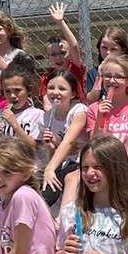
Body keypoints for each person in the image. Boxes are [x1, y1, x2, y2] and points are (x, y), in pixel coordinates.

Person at [40, 67, 89, 207]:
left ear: (73, 93)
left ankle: (64, 217)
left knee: (57, 182)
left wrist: (49, 169)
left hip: (82, 159)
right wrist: (52, 145)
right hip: (66, 161)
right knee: (47, 193)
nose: (55, 92)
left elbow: (68, 141)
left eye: (62, 89)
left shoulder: (79, 111)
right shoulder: (47, 117)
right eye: (51, 88)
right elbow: (57, 151)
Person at [89, 53, 128, 163]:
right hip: (101, 161)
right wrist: (100, 118)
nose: (111, 80)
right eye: (107, 76)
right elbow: (94, 144)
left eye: (118, 77)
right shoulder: (94, 108)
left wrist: (114, 164)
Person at [41, 2, 88, 107]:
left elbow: (74, 46)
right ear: (47, 57)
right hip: (57, 112)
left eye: (62, 53)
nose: (58, 57)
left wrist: (61, 23)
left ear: (70, 54)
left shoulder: (74, 68)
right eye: (53, 54)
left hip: (77, 110)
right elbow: (47, 104)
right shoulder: (46, 77)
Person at [0, 66, 45, 155]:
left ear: (29, 89)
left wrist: (15, 125)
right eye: (7, 91)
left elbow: (33, 147)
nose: (12, 96)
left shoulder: (37, 115)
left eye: (17, 90)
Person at [85, 26, 128, 96]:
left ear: (123, 50)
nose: (108, 52)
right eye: (104, 48)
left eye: (113, 49)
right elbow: (90, 100)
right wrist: (99, 78)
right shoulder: (93, 73)